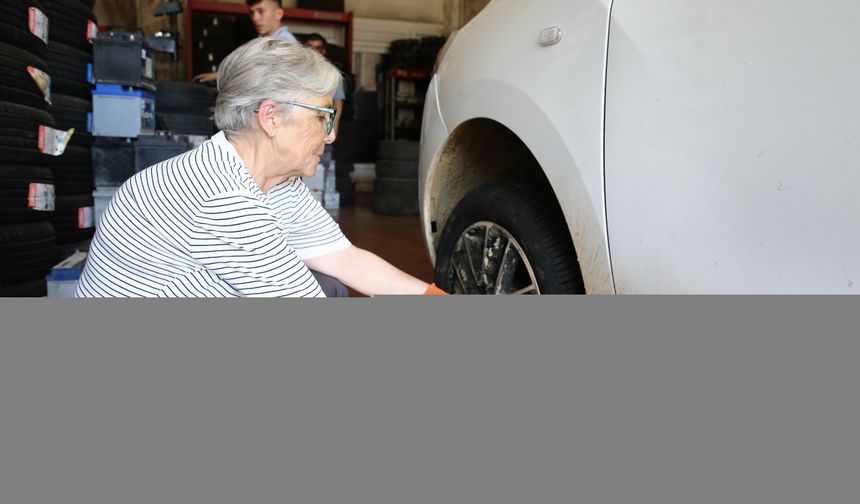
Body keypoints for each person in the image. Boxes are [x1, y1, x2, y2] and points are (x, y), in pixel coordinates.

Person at [76, 37, 447, 298]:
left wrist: (436, 298)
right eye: (322, 118)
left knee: (330, 282)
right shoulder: (221, 198)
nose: (330, 136)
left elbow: (343, 259)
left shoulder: (274, 180)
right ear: (270, 117)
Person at [192, 0, 297, 84]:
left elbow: (261, 77)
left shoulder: (285, 45)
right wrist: (218, 75)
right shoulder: (260, 41)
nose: (255, 18)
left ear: (278, 14)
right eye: (252, 12)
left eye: (261, 11)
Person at [304, 33, 345, 137]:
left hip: (322, 129)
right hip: (302, 129)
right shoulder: (300, 72)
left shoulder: (332, 74)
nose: (314, 51)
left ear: (323, 50)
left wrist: (331, 126)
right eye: (310, 48)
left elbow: (337, 103)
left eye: (317, 48)